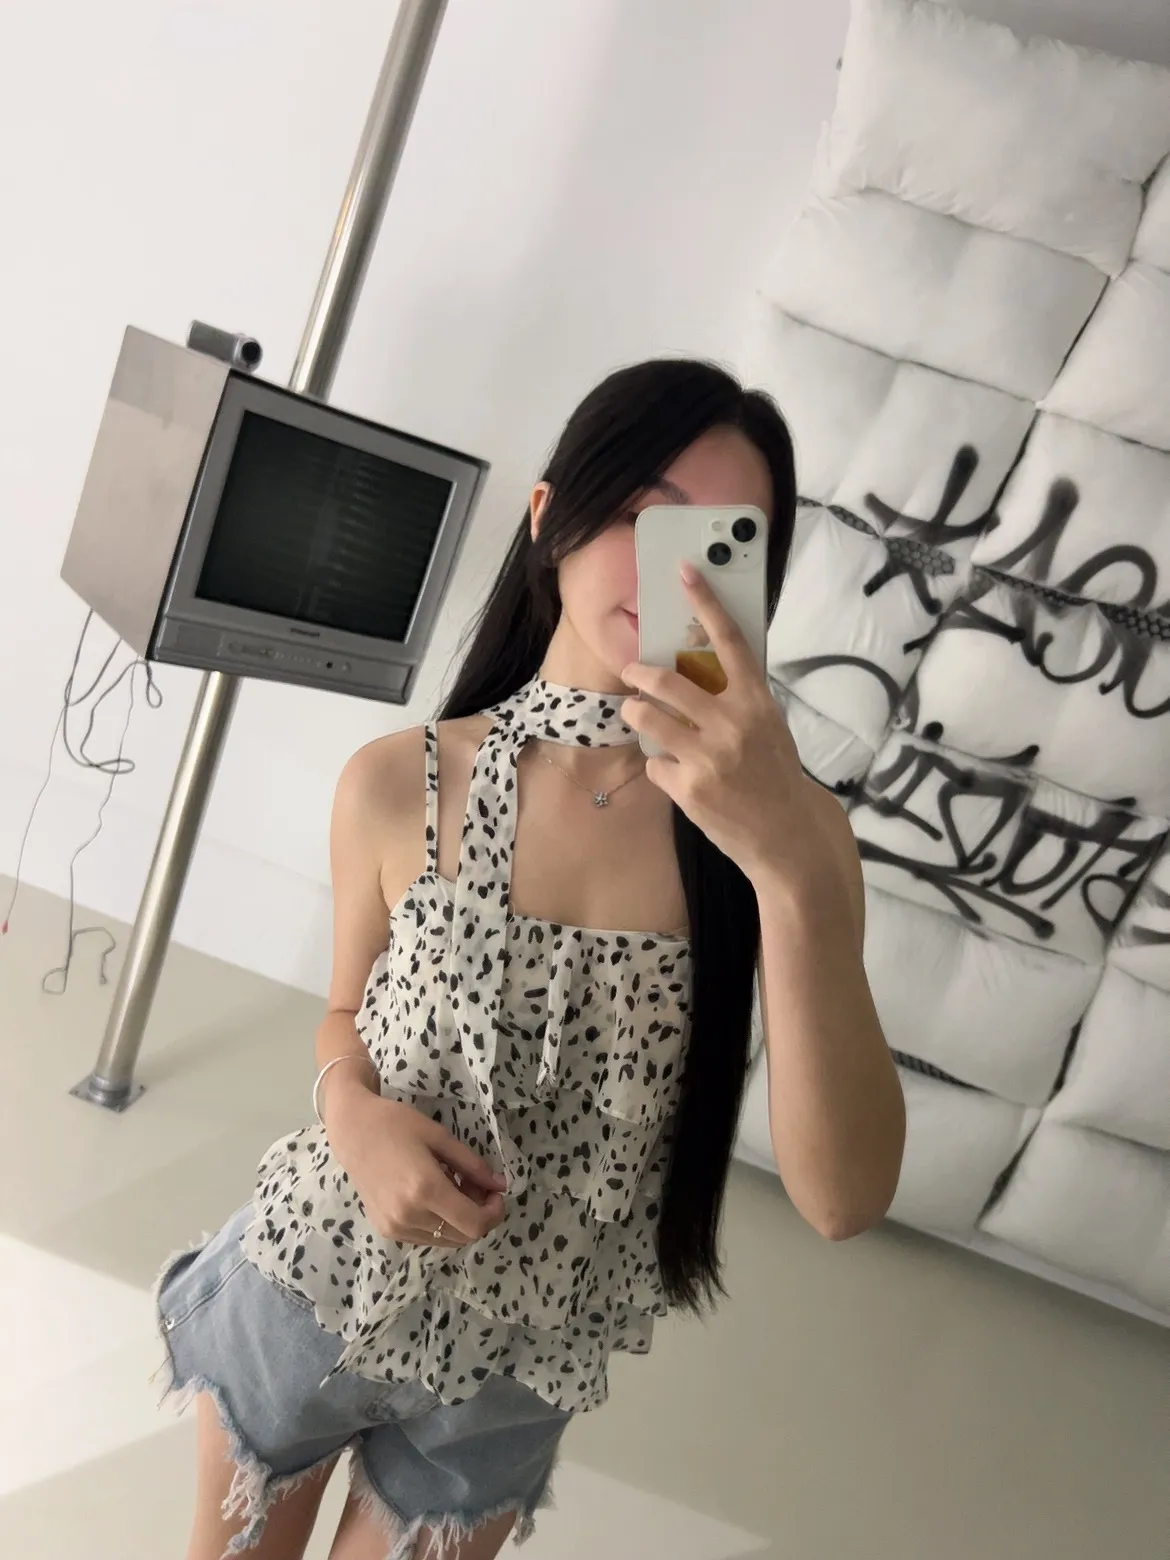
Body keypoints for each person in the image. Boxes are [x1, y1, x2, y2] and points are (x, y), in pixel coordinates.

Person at [152, 358, 906, 1560]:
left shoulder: (786, 833)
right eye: (644, 514)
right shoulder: (400, 780)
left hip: (516, 1368)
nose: (676, 570)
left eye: (722, 543)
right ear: (552, 516)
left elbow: (845, 1200)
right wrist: (353, 1117)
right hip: (315, 1279)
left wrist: (793, 867)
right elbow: (343, 1013)